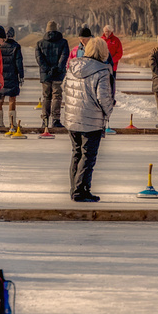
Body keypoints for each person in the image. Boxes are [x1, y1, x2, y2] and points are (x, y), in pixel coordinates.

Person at [62, 34, 115, 201]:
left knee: (76, 153)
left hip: (72, 119)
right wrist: (109, 110)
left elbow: (65, 88)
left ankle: (77, 189)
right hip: (91, 120)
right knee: (88, 156)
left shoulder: (73, 66)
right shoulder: (102, 71)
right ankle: (80, 191)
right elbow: (103, 98)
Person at [35, 21, 70, 130]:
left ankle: (45, 120)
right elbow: (64, 56)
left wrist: (47, 69)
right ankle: (56, 119)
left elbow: (39, 59)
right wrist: (58, 68)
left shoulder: (40, 43)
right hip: (58, 75)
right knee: (57, 96)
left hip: (45, 75)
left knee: (46, 97)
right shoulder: (63, 42)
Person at [1, 27, 25, 132]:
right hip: (12, 75)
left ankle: (0, 123)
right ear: (14, 35)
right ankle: (12, 123)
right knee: (12, 100)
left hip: (0, 76)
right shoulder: (16, 46)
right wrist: (21, 75)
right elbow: (19, 63)